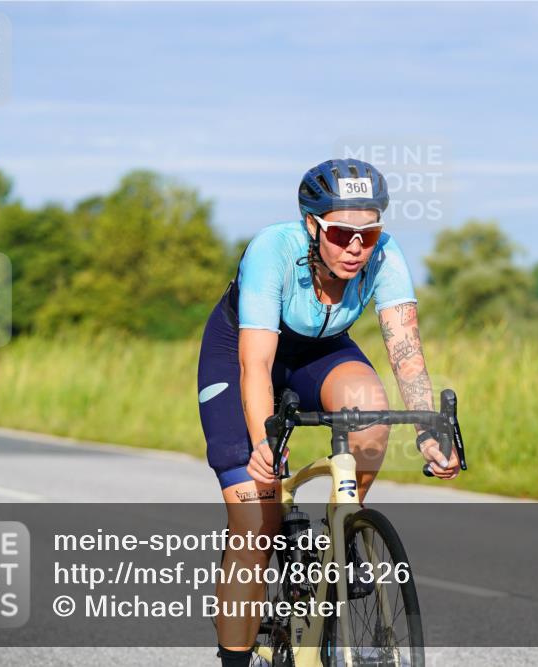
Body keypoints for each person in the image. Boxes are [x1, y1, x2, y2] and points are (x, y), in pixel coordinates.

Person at [197, 158, 460, 667]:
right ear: (312, 225)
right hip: (242, 353)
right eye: (342, 234)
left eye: (370, 233)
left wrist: (428, 431)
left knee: (371, 410)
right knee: (256, 519)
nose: (357, 247)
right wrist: (263, 443)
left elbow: (406, 351)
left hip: (320, 353)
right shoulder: (273, 249)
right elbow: (257, 365)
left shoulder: (386, 256)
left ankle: (344, 532)